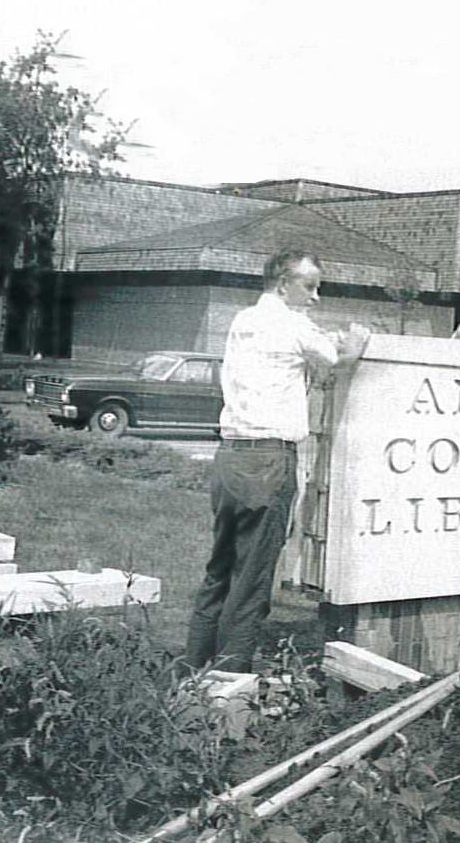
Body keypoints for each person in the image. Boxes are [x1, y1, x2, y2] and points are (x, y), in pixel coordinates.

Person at [184, 249, 369, 673]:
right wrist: (357, 343)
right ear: (284, 284)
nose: (316, 297)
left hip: (230, 456)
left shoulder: (244, 320)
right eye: (310, 286)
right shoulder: (294, 325)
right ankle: (229, 681)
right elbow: (338, 361)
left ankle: (193, 669)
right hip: (269, 459)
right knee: (252, 579)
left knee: (220, 570)